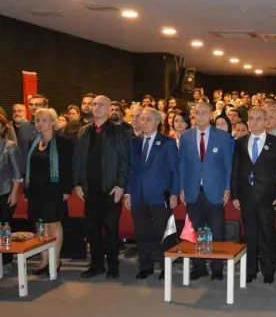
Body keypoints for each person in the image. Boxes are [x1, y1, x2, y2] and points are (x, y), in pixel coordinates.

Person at [74, 95, 130, 279]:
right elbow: (77, 160)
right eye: (93, 104)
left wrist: (121, 185)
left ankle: (113, 265)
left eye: (100, 105)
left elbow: (125, 161)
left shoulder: (119, 132)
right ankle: (96, 264)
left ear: (108, 109)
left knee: (111, 229)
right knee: (92, 228)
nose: (96, 108)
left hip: (111, 188)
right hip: (90, 189)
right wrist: (78, 183)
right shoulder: (83, 131)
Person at [232, 107, 276, 284]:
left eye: (258, 119)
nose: (254, 122)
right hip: (246, 197)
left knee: (267, 235)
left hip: (268, 198)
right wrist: (235, 195)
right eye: (251, 119)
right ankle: (250, 270)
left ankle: (268, 270)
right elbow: (235, 171)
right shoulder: (240, 142)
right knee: (249, 236)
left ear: (266, 122)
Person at [178, 102, 233, 280]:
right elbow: (182, 164)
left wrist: (227, 187)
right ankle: (199, 266)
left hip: (215, 190)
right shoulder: (186, 136)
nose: (199, 116)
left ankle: (217, 268)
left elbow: (228, 165)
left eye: (203, 113)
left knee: (217, 231)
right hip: (193, 190)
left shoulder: (222, 136)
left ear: (211, 115)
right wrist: (181, 188)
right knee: (196, 230)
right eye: (196, 113)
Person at [124, 107, 179, 280]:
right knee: (142, 232)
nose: (144, 122)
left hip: (160, 194)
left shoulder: (167, 143)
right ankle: (145, 266)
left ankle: (165, 267)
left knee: (163, 233)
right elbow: (129, 170)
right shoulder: (134, 143)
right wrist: (127, 193)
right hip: (138, 195)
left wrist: (174, 193)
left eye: (149, 119)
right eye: (142, 119)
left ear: (157, 122)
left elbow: (175, 171)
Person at [25, 108, 73, 276]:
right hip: (36, 191)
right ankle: (44, 259)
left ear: (53, 122)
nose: (41, 124)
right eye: (38, 120)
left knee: (53, 224)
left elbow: (68, 168)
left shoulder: (63, 141)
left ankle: (56, 259)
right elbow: (28, 168)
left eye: (44, 120)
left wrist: (67, 189)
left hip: (54, 190)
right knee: (40, 225)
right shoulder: (32, 141)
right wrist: (27, 189)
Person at [0, 115, 22, 274]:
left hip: (6, 192)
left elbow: (17, 173)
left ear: (2, 128)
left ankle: (6, 260)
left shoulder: (10, 146)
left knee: (5, 226)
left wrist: (14, 193)